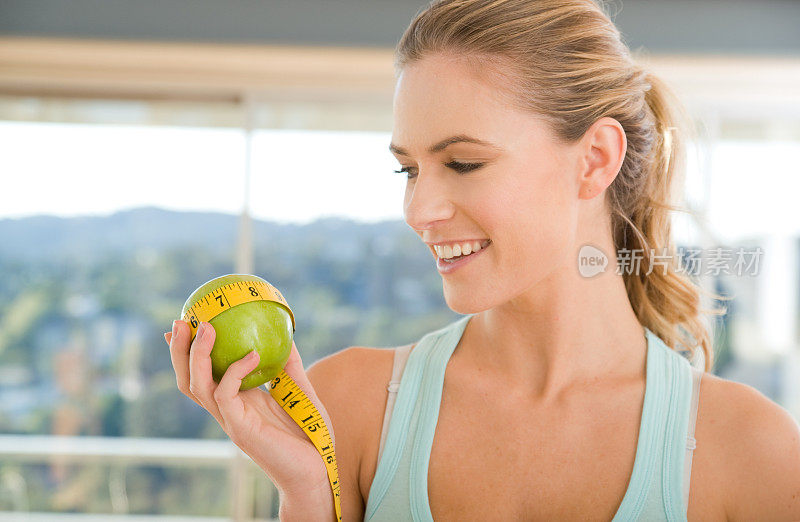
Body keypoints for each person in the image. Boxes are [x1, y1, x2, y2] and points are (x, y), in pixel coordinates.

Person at [165, 0, 800, 520]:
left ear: (595, 159)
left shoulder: (753, 454)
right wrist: (307, 495)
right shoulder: (347, 410)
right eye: (408, 169)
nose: (418, 210)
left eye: (464, 163)